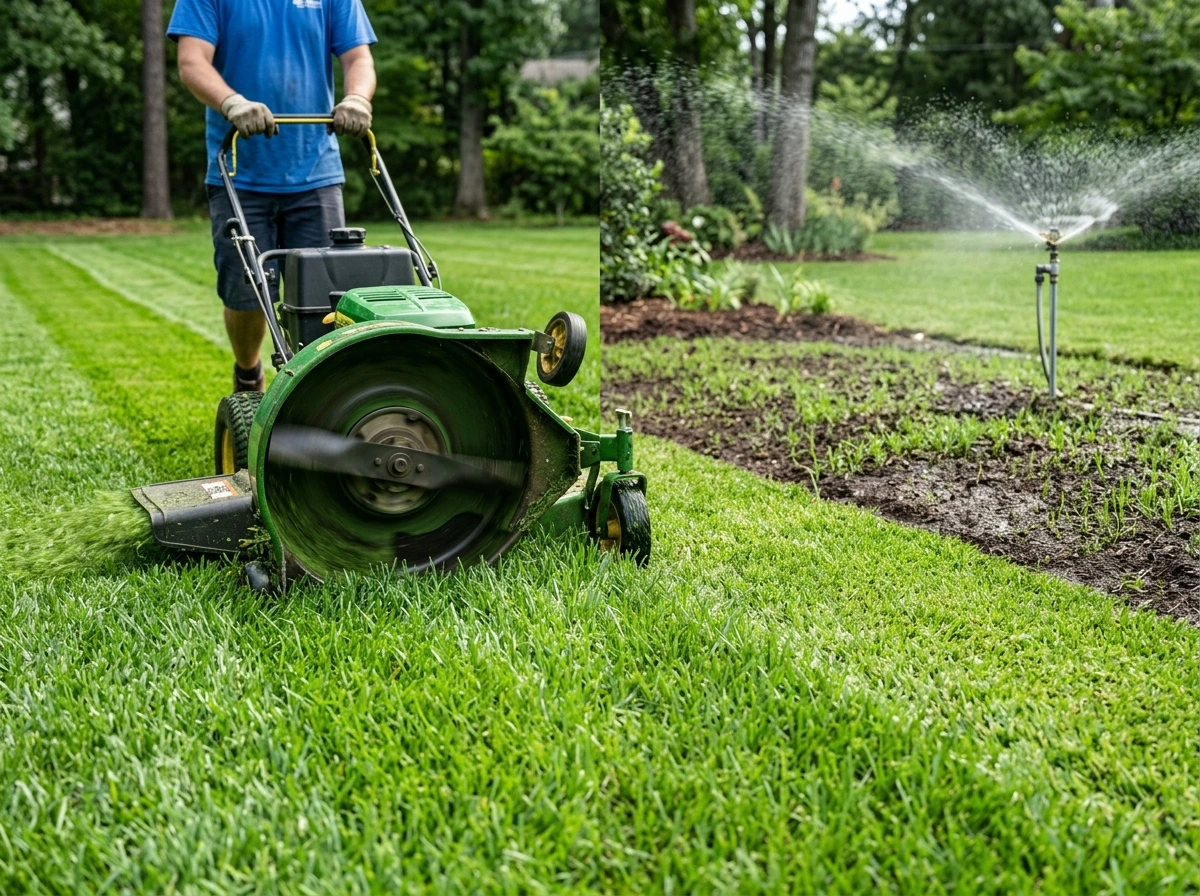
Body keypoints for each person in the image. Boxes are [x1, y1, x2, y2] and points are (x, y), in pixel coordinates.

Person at [167, 0, 378, 392]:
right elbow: (192, 62)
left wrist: (357, 99)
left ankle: (314, 390)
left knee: (325, 294)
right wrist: (232, 103)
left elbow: (357, 58)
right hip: (239, 169)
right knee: (245, 291)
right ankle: (248, 374)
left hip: (315, 170)